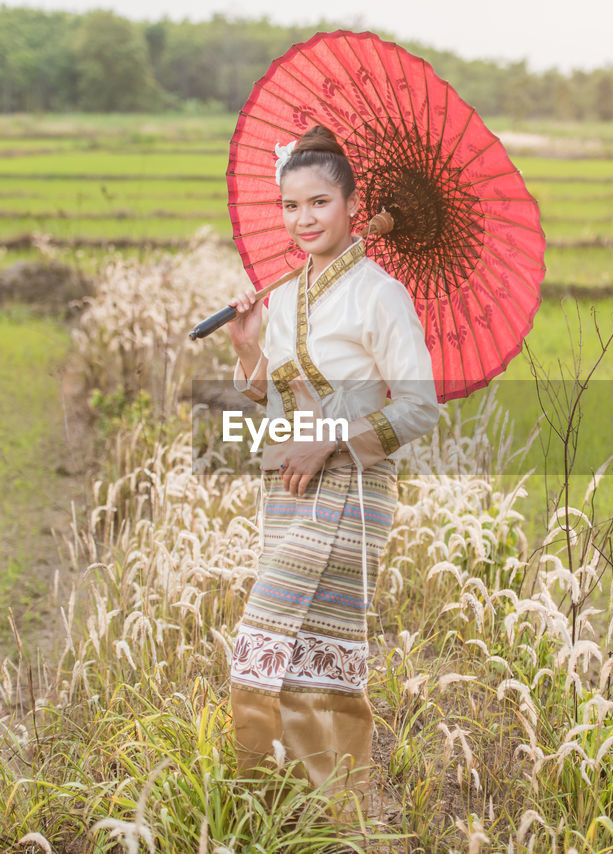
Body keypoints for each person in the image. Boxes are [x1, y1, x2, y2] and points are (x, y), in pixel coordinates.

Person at [224, 125, 440, 803]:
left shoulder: (381, 295)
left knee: (297, 653)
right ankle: (277, 815)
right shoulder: (283, 296)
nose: (303, 219)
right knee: (281, 655)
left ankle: (332, 821)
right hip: (286, 490)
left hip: (349, 489)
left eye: (319, 203)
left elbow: (418, 408)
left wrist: (332, 441)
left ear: (352, 205)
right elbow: (276, 396)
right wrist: (247, 349)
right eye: (291, 206)